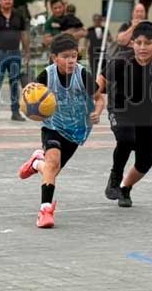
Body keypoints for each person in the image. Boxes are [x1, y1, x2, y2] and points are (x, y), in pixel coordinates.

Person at [17, 34, 104, 228]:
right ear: (54, 58)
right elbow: (31, 96)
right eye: (65, 56)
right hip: (53, 127)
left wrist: (97, 113)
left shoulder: (83, 75)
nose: (70, 60)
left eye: (73, 55)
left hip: (76, 131)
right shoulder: (47, 75)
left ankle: (36, 163)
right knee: (53, 162)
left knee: (52, 170)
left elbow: (99, 99)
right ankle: (45, 211)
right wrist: (29, 104)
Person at [99, 22, 152, 207]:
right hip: (120, 109)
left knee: (145, 162)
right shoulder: (121, 60)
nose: (142, 47)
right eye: (139, 43)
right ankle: (115, 177)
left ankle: (125, 188)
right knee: (126, 138)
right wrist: (92, 97)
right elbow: (102, 79)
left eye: (148, 43)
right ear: (132, 43)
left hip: (146, 116)